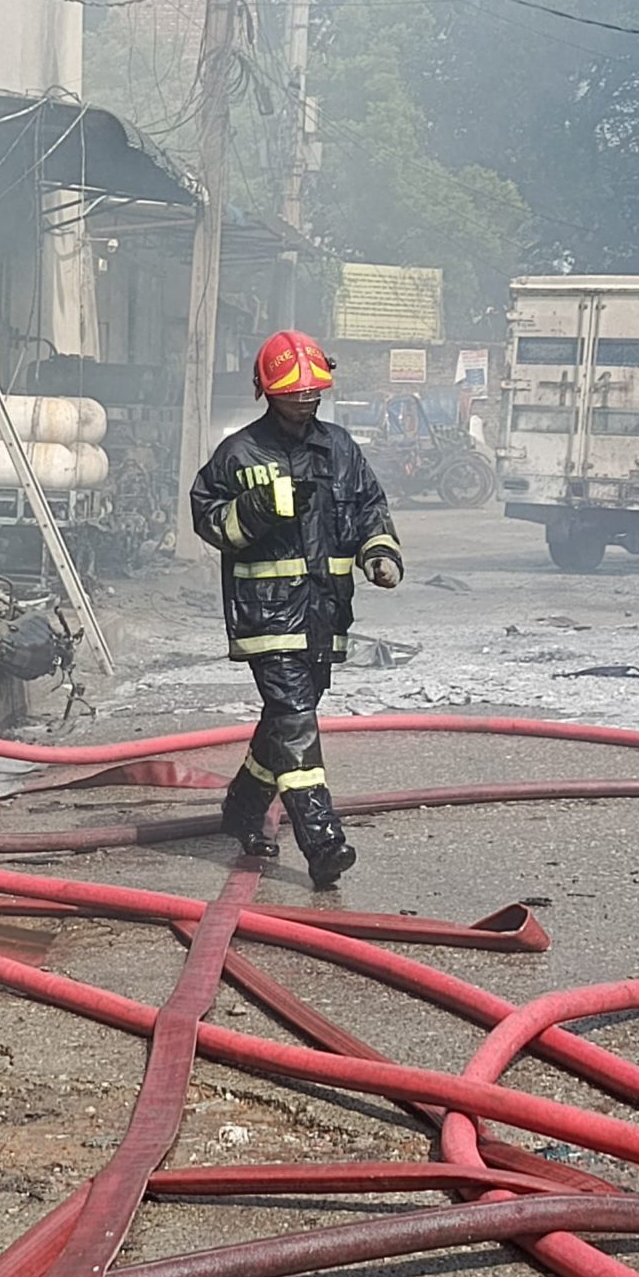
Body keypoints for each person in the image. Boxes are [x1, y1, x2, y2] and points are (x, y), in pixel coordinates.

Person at [189, 329, 403, 888]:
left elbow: (368, 508)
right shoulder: (239, 452)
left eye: (313, 392)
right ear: (268, 392)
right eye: (293, 392)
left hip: (325, 613)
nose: (305, 401)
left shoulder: (340, 448)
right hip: (267, 617)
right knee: (297, 722)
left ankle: (241, 809)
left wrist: (378, 554)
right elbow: (210, 521)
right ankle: (322, 841)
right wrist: (261, 506)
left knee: (284, 723)